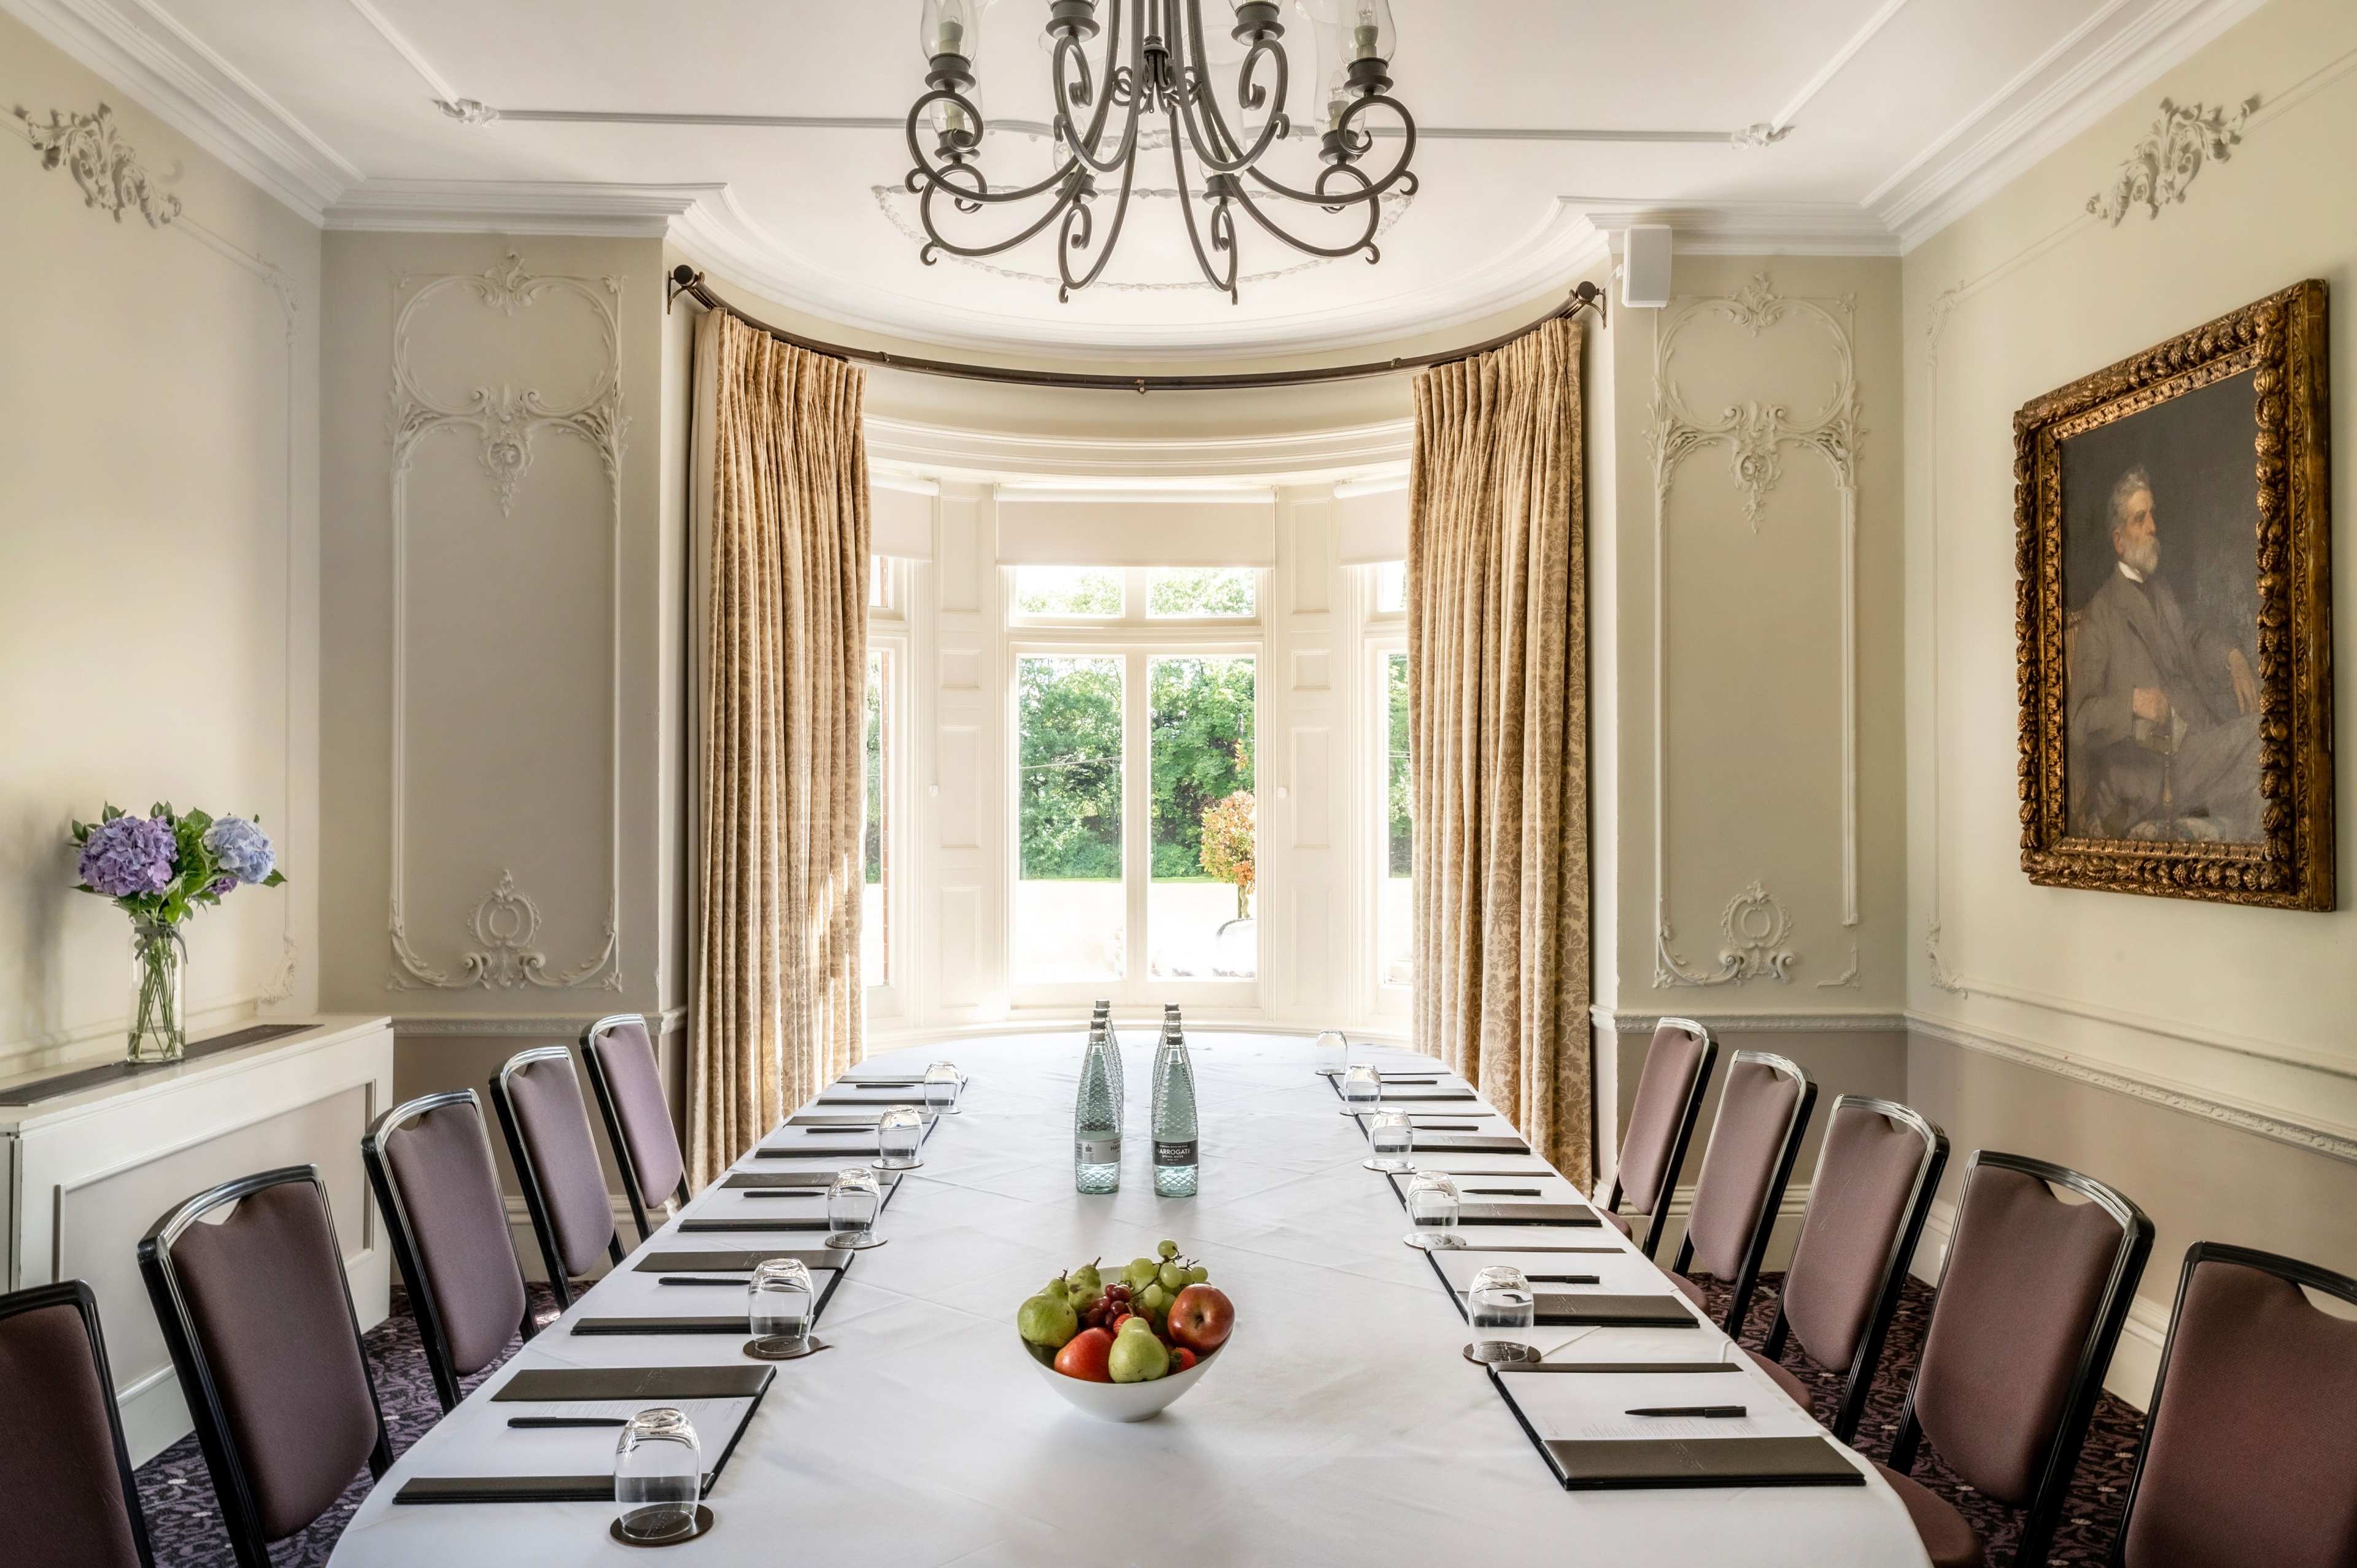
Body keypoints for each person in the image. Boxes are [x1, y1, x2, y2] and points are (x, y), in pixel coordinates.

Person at [2066, 464, 2260, 841]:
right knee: (2268, 737)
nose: (2154, 527)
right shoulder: (2100, 614)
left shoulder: (2161, 590)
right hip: (2153, 771)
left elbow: (2191, 636)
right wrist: (2133, 702)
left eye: (2152, 514)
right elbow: (2078, 721)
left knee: (2265, 793)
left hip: (2199, 742)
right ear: (2119, 541)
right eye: (2142, 519)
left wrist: (2233, 657)